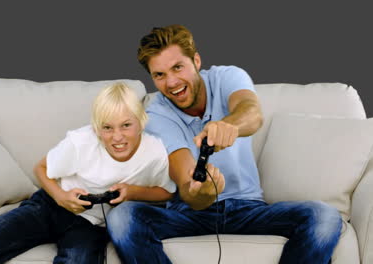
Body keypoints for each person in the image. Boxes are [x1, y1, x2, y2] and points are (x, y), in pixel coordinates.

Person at [106, 24, 342, 264]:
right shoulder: (156, 116)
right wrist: (203, 191)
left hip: (249, 209)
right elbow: (188, 188)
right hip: (189, 215)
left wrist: (230, 125)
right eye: (160, 75)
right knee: (123, 217)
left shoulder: (227, 77)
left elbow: (252, 113)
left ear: (196, 61)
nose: (172, 82)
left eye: (178, 67)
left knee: (324, 217)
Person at [0, 82, 176, 264]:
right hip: (51, 206)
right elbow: (41, 168)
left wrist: (133, 192)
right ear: (97, 129)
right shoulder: (81, 142)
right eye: (108, 128)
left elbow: (166, 192)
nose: (117, 137)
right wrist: (61, 197)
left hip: (91, 224)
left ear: (142, 122)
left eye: (126, 125)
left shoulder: (154, 152)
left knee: (79, 259)